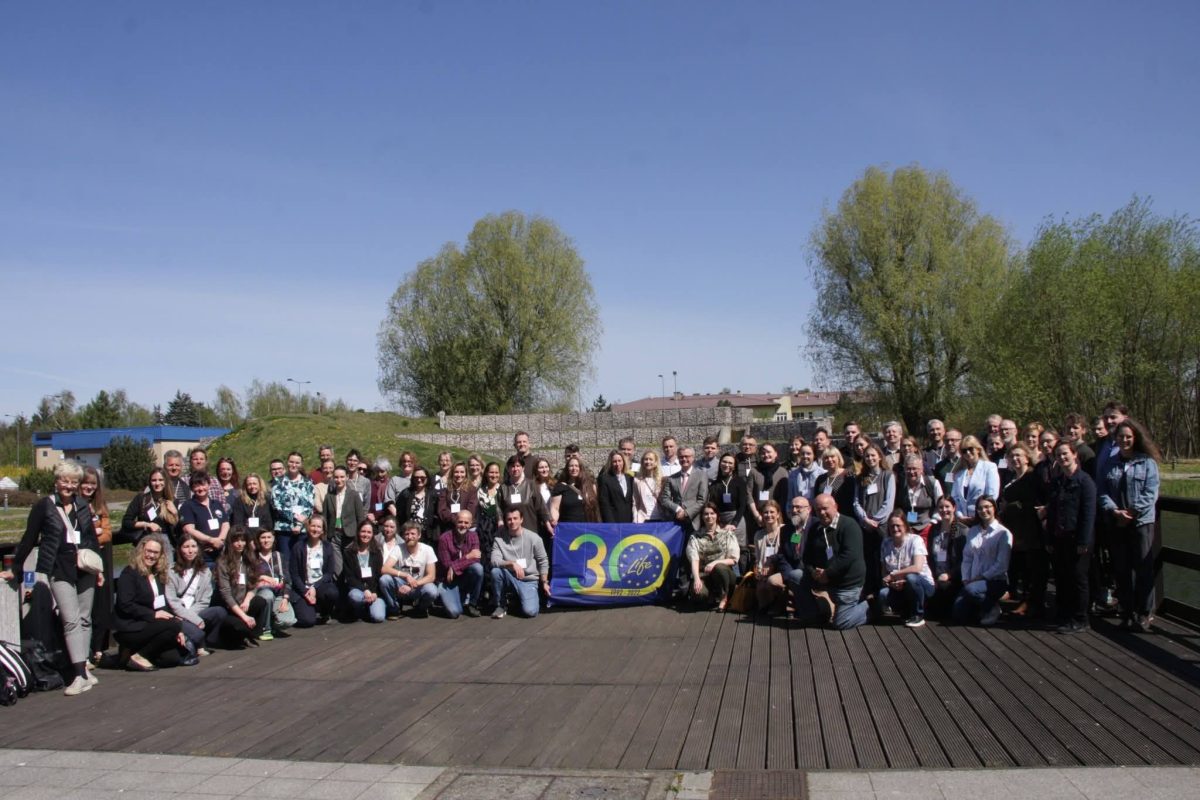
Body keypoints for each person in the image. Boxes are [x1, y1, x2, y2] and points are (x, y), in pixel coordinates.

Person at [3, 461, 102, 695]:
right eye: (65, 481)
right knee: (71, 620)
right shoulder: (44, 506)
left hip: (85, 567)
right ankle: (79, 675)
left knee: (84, 618)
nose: (69, 486)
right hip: (59, 567)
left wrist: (100, 571)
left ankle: (84, 668)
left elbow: (91, 539)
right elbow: (29, 538)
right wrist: (16, 568)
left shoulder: (82, 505)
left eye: (73, 482)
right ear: (56, 482)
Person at [1100, 419, 1161, 632]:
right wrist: (1115, 511)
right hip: (1117, 522)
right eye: (1121, 436)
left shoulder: (1147, 462)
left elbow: (1151, 492)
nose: (1124, 440)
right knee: (1122, 568)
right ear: (1115, 438)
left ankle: (1144, 613)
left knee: (1143, 568)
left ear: (1135, 438)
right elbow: (1102, 491)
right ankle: (1127, 611)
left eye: (1128, 436)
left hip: (1141, 522)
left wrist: (1132, 511)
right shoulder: (1110, 463)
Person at [113, 534, 190, 671]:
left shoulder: (157, 573)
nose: (151, 556)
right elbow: (125, 604)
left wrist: (177, 631)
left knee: (171, 659)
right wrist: (152, 615)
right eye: (148, 551)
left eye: (156, 552)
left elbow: (163, 604)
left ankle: (131, 653)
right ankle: (139, 656)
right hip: (132, 626)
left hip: (151, 625)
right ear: (141, 551)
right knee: (173, 624)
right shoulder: (130, 573)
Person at [795, 494, 868, 630]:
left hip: (846, 583)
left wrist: (828, 573)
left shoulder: (849, 525)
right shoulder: (815, 528)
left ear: (835, 507)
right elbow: (807, 557)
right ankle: (815, 615)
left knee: (841, 623)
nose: (822, 513)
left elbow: (849, 556)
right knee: (795, 576)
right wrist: (813, 572)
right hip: (823, 579)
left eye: (825, 508)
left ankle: (868, 608)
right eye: (818, 510)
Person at [1046, 440, 1097, 634]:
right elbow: (1052, 512)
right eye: (1058, 455)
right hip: (1060, 536)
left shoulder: (1085, 481)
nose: (1062, 458)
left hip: (1078, 538)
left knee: (1078, 578)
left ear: (1074, 454)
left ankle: (1081, 618)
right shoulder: (1057, 481)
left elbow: (1088, 514)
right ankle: (1065, 614)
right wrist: (1050, 538)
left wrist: (1084, 541)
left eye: (1065, 453)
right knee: (1063, 576)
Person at [1000, 443, 1045, 617]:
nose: (1015, 459)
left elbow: (1033, 502)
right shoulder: (1011, 477)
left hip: (1030, 528)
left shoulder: (1032, 477)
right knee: (1020, 566)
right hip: (1014, 528)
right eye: (1012, 456)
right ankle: (1022, 599)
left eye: (1019, 455)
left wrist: (1009, 507)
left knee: (1031, 568)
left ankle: (1032, 603)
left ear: (1027, 457)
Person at [952, 496, 1012, 626]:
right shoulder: (973, 531)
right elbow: (967, 557)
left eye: (987, 507)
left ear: (994, 508)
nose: (983, 510)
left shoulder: (1003, 533)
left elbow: (1002, 565)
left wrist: (981, 577)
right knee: (958, 613)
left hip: (995, 580)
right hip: (973, 580)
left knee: (971, 591)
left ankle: (993, 608)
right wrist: (966, 578)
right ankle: (980, 608)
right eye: (980, 508)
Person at [166, 533, 227, 657]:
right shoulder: (171, 571)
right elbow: (172, 601)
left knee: (219, 612)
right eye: (186, 547)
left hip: (195, 611)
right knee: (196, 635)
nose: (190, 551)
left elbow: (205, 600)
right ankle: (197, 642)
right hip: (178, 614)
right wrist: (191, 618)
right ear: (179, 549)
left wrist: (191, 616)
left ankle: (208, 640)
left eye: (193, 546)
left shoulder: (205, 571)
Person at [878, 511, 936, 627]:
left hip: (922, 584)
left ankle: (918, 615)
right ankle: (906, 611)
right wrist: (891, 583)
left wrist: (895, 575)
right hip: (899, 586)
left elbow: (917, 567)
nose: (895, 529)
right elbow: (884, 573)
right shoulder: (886, 543)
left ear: (905, 525)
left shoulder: (915, 540)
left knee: (911, 578)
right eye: (892, 526)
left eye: (898, 525)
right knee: (883, 594)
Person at [490, 507, 550, 619]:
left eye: (515, 518)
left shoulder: (534, 538)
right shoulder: (499, 538)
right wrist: (511, 564)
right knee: (496, 572)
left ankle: (518, 598)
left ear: (521, 519)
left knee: (530, 612)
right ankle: (500, 605)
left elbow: (543, 560)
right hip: (510, 577)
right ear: (505, 521)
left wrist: (544, 582)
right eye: (509, 519)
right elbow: (494, 561)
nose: (512, 522)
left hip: (528, 580)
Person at [80, 466, 113, 664]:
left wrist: (95, 534)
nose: (89, 487)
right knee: (85, 606)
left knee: (101, 603)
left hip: (99, 560)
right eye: (85, 483)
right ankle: (84, 652)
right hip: (81, 562)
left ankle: (98, 647)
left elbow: (107, 534)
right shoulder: (75, 505)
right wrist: (95, 532)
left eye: (92, 484)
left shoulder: (100, 506)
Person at [854, 443, 895, 597]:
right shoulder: (861, 478)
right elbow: (856, 502)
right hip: (865, 526)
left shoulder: (888, 475)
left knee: (882, 559)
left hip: (881, 526)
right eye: (867, 456)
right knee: (867, 559)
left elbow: (888, 502)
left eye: (873, 455)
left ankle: (883, 592)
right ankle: (869, 591)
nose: (870, 458)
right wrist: (865, 519)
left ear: (879, 457)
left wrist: (875, 520)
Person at [216, 528, 270, 645]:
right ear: (230, 542)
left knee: (260, 601)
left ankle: (250, 634)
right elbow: (225, 593)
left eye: (243, 540)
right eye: (236, 540)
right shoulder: (223, 562)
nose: (240, 544)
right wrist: (244, 616)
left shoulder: (249, 559)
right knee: (238, 627)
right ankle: (243, 634)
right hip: (230, 607)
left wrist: (247, 600)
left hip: (243, 604)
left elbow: (253, 585)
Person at [380, 519, 439, 618]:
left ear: (419, 535)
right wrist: (405, 575)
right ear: (403, 536)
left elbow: (431, 576)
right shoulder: (398, 548)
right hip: (401, 585)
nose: (409, 537)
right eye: (407, 534)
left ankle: (420, 608)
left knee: (432, 590)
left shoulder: (428, 549)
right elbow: (384, 569)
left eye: (413, 534)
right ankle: (394, 608)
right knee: (384, 579)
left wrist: (412, 585)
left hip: (419, 585)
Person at [686, 503, 740, 610]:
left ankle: (724, 596)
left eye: (712, 513)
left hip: (724, 575)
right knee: (698, 594)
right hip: (705, 574)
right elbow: (694, 559)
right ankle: (711, 594)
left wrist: (714, 563)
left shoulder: (727, 534)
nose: (709, 516)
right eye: (706, 514)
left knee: (719, 567)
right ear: (702, 517)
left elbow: (734, 560)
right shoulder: (695, 536)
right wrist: (696, 579)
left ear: (717, 515)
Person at [289, 517, 339, 628]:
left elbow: (329, 573)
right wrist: (305, 591)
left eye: (319, 527)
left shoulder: (327, 547)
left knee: (332, 593)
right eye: (313, 526)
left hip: (320, 585)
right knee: (307, 621)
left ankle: (324, 612)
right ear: (308, 527)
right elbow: (294, 574)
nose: (315, 529)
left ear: (323, 530)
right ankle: (306, 608)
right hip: (303, 588)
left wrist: (314, 587)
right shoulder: (298, 547)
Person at [437, 510, 485, 618]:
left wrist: (454, 566)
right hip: (448, 580)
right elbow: (446, 565)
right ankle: (448, 595)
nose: (463, 525)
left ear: (471, 524)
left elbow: (476, 559)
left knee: (478, 569)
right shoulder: (444, 538)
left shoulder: (473, 536)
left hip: (464, 578)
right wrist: (468, 557)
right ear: (455, 521)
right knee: (455, 613)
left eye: (466, 522)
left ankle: (472, 603)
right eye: (460, 522)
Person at [270, 451, 315, 563]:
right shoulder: (278, 482)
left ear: (301, 464)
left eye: (297, 463)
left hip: (302, 529)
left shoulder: (308, 482)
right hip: (284, 529)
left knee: (302, 561)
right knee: (286, 562)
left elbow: (310, 505)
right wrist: (294, 517)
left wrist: (299, 524)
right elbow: (277, 505)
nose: (294, 465)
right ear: (287, 462)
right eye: (291, 462)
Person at [497, 456, 550, 552]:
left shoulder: (531, 485)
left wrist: (548, 525)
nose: (515, 469)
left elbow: (541, 507)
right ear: (508, 469)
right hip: (510, 532)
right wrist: (500, 521)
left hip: (530, 528)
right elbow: (498, 508)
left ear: (523, 468)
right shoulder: (503, 488)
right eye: (512, 466)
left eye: (518, 466)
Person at [323, 465, 366, 576]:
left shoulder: (354, 495)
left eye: (342, 477)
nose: (339, 480)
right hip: (334, 535)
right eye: (336, 477)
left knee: (350, 564)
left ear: (347, 477)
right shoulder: (329, 496)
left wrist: (359, 536)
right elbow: (325, 518)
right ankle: (339, 584)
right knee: (338, 567)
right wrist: (325, 536)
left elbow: (360, 518)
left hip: (350, 535)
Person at [251, 528, 294, 640]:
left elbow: (286, 579)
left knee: (287, 621)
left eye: (269, 537)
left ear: (274, 539)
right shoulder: (252, 557)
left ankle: (272, 621)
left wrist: (285, 598)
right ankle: (265, 629)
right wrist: (262, 577)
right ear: (258, 540)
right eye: (263, 538)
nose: (266, 540)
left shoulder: (279, 556)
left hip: (278, 593)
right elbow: (248, 578)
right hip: (261, 593)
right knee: (268, 595)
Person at [928, 495, 967, 618]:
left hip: (953, 577)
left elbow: (964, 560)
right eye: (941, 507)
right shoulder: (934, 529)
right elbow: (929, 556)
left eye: (947, 506)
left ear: (954, 508)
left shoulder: (962, 531)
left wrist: (949, 575)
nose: (944, 510)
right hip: (935, 576)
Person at [179, 471, 229, 565]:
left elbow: (225, 523)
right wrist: (211, 540)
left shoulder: (216, 504)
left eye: (203, 484)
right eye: (196, 486)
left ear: (209, 485)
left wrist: (220, 540)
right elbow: (189, 529)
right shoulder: (188, 506)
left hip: (221, 553)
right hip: (202, 556)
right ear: (192, 488)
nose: (201, 488)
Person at [119, 468, 179, 545]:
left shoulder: (172, 501)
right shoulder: (141, 498)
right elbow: (126, 522)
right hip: (146, 540)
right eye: (154, 480)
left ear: (166, 481)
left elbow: (178, 528)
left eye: (161, 480)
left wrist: (175, 513)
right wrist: (147, 524)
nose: (157, 483)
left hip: (166, 542)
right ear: (150, 482)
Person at [949, 436, 1000, 526]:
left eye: (970, 449)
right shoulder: (959, 473)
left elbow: (992, 495)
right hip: (963, 521)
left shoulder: (989, 467)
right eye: (964, 451)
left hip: (983, 518)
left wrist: (980, 514)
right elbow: (955, 497)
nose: (968, 452)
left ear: (978, 449)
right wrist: (960, 515)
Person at [343, 520, 385, 623]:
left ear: (372, 534)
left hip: (373, 591)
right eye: (363, 531)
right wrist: (365, 590)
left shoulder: (377, 552)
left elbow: (378, 575)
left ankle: (369, 608)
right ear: (358, 532)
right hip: (358, 590)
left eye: (369, 532)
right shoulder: (349, 552)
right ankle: (359, 609)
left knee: (378, 617)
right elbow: (349, 577)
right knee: (355, 596)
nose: (366, 535)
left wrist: (374, 592)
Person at [659, 447, 707, 536]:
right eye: (681, 457)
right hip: (676, 521)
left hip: (694, 521)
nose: (684, 459)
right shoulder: (672, 478)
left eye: (687, 456)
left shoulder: (701, 475)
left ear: (693, 458)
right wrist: (677, 509)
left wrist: (686, 513)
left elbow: (702, 500)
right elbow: (664, 499)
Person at [894, 455, 941, 544]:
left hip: (927, 529)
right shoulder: (900, 485)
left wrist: (932, 522)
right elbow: (896, 506)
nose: (911, 472)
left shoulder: (932, 483)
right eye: (908, 469)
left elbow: (940, 505)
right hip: (906, 530)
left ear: (922, 469)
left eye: (914, 468)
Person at [753, 501, 788, 613]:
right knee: (762, 596)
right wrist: (759, 570)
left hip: (782, 569)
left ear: (778, 514)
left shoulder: (786, 530)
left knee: (772, 582)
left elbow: (790, 554)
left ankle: (784, 603)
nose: (769, 515)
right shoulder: (758, 535)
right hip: (765, 570)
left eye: (772, 512)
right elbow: (758, 557)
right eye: (766, 512)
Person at [550, 455, 600, 532]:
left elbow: (595, 508)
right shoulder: (561, 487)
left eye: (576, 466)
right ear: (567, 469)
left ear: (580, 468)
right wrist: (554, 520)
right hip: (568, 529)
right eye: (571, 466)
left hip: (588, 529)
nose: (574, 468)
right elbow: (555, 508)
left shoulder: (590, 486)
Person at [397, 466, 439, 545]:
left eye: (422, 478)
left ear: (427, 478)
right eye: (416, 478)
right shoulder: (406, 494)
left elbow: (437, 515)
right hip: (410, 535)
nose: (419, 480)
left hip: (427, 536)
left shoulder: (433, 495)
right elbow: (399, 515)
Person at [438, 462, 480, 534]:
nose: (459, 475)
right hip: (449, 527)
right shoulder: (446, 490)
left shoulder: (472, 490)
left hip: (467, 527)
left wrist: (461, 521)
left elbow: (471, 509)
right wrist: (456, 520)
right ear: (452, 473)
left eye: (462, 472)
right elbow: (442, 509)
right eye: (456, 472)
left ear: (466, 474)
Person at [813, 448, 856, 518]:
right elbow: (816, 498)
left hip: (843, 516)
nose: (829, 460)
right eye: (826, 458)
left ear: (838, 458)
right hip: (824, 516)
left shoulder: (847, 475)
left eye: (832, 456)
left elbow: (851, 500)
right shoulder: (821, 478)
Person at [229, 473, 274, 538]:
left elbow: (269, 522)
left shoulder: (267, 499)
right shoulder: (239, 501)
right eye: (249, 484)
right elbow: (238, 523)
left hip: (264, 536)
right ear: (245, 486)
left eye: (254, 484)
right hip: (246, 537)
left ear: (260, 485)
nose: (252, 486)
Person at [597, 450, 635, 523]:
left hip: (629, 520)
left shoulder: (629, 478)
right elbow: (605, 504)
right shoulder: (604, 479)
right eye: (614, 461)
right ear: (610, 463)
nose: (617, 464)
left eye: (619, 461)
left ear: (623, 462)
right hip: (613, 521)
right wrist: (611, 523)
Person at [633, 451, 666, 523]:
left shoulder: (662, 480)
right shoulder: (637, 481)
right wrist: (635, 518)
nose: (648, 462)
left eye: (651, 459)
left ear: (656, 462)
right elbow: (635, 502)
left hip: (660, 518)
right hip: (643, 519)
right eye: (646, 459)